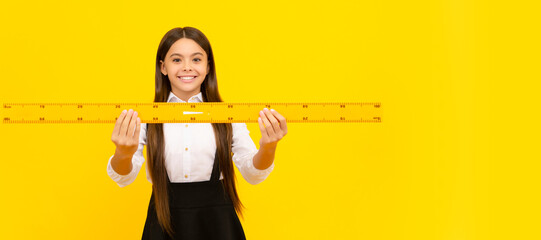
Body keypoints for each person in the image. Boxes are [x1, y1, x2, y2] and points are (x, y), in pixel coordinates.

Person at [106, 26, 288, 239]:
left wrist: (269, 146)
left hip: (218, 224)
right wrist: (124, 153)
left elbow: (252, 174)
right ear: (163, 67)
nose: (186, 67)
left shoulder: (227, 115)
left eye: (196, 59)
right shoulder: (146, 117)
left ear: (208, 66)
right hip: (163, 221)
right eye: (176, 60)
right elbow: (123, 178)